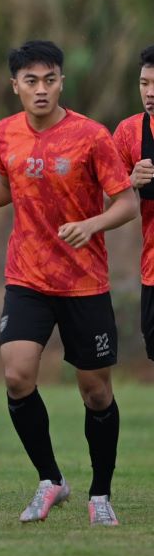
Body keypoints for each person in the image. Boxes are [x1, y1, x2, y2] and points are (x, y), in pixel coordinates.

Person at [0, 40, 136, 526]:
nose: (41, 89)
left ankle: (101, 494)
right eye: (31, 81)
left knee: (95, 392)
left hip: (85, 282)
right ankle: (50, 479)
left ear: (61, 82)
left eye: (50, 79)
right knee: (16, 374)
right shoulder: (5, 134)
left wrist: (91, 225)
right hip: (27, 276)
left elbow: (126, 202)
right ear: (15, 86)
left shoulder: (91, 136)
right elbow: (7, 186)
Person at [113, 44, 154, 367]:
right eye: (144, 83)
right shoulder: (128, 133)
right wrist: (129, 181)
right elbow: (99, 198)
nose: (150, 92)